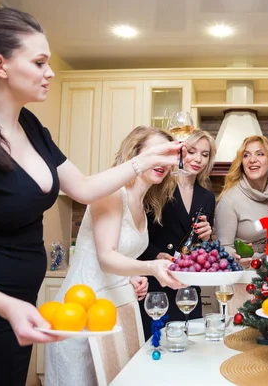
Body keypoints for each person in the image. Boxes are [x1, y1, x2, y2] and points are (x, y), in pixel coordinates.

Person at [0, 8, 182, 386]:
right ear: (0, 65)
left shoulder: (32, 128)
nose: (50, 72)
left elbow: (85, 187)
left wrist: (146, 160)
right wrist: (6, 306)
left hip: (23, 310)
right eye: (39, 62)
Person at [45, 126, 183, 386]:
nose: (162, 162)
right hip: (81, 312)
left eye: (167, 156)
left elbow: (118, 258)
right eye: (156, 153)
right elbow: (105, 257)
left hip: (112, 314)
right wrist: (150, 268)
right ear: (136, 153)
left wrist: (133, 277)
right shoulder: (111, 191)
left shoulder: (143, 205)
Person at [137, 129, 217, 339]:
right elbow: (137, 232)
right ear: (180, 151)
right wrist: (155, 254)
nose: (198, 159)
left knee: (190, 348)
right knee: (155, 346)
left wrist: (208, 237)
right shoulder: (158, 187)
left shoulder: (207, 197)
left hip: (189, 287)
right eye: (191, 151)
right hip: (157, 283)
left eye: (205, 154)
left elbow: (202, 250)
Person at [215, 135, 268, 315]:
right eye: (246, 155)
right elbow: (223, 248)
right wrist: (237, 257)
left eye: (260, 154)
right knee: (240, 339)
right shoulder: (230, 200)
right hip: (243, 283)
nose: (252, 160)